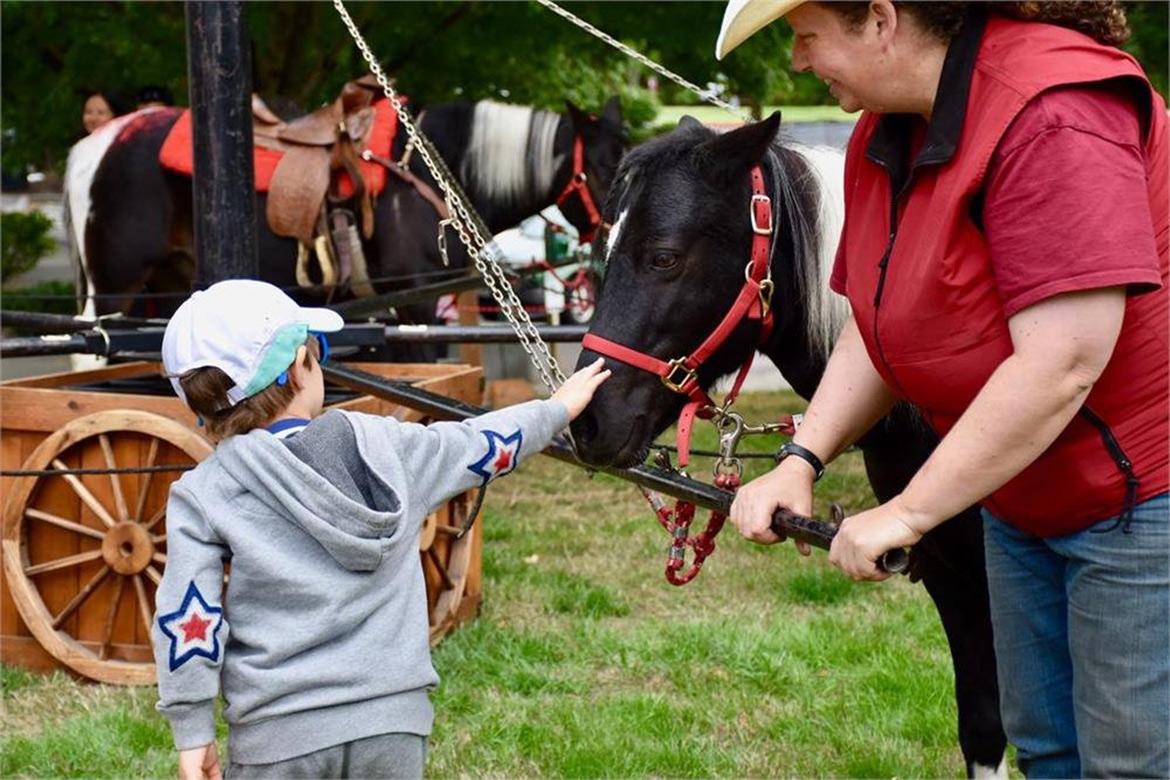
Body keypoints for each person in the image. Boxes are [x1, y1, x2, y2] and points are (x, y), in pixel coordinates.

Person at [720, 1, 1168, 777]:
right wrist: (803, 456)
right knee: (1049, 748)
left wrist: (909, 511)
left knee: (1131, 761)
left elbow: (1061, 361)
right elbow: (879, 319)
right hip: (1024, 498)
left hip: (1140, 499)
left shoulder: (1054, 113)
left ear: (882, 21)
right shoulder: (886, 130)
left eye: (806, 36)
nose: (798, 61)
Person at [152, 279, 610, 779]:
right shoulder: (385, 447)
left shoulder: (204, 493)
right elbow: (477, 444)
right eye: (316, 351)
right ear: (299, 367)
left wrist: (192, 730)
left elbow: (186, 616)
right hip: (391, 721)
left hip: (278, 736)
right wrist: (555, 409)